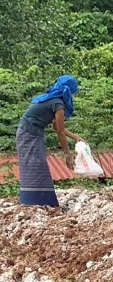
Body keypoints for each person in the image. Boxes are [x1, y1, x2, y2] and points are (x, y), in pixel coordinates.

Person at [16, 75, 84, 208]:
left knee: (35, 163)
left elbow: (57, 127)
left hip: (29, 131)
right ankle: (37, 202)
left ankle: (37, 201)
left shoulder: (52, 99)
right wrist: (68, 155)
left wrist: (75, 137)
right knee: (35, 164)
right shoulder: (58, 104)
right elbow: (59, 131)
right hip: (29, 132)